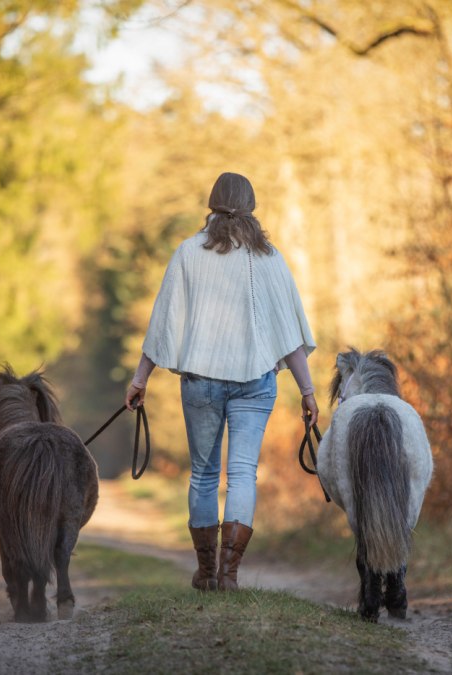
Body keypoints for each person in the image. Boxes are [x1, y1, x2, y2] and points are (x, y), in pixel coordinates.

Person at [125, 172, 319, 592]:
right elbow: (289, 334)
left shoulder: (187, 253)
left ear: (211, 207)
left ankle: (206, 572)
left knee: (203, 476)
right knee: (243, 475)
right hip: (255, 383)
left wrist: (141, 378)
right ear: (251, 209)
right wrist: (307, 391)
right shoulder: (269, 258)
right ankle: (229, 575)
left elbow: (163, 323)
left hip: (201, 383)